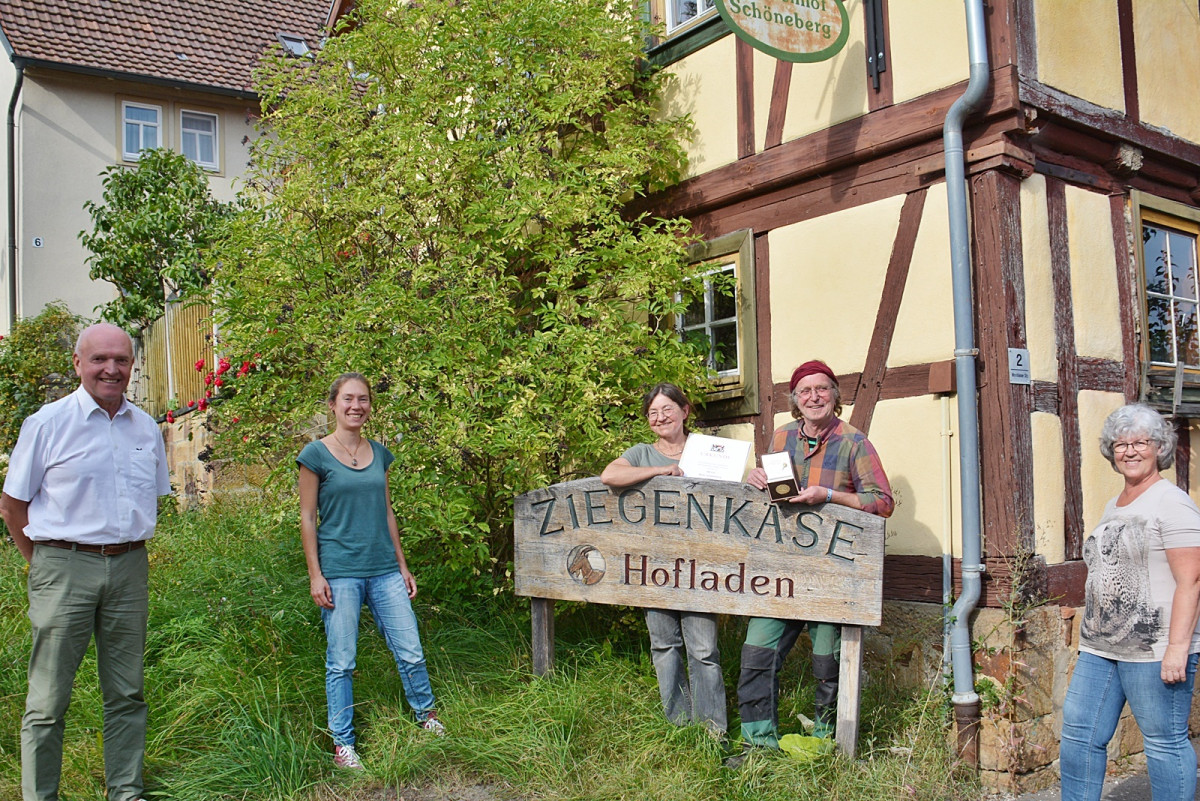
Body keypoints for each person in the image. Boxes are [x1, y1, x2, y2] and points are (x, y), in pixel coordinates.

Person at [0, 322, 170, 801]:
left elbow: (152, 498)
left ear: (132, 366)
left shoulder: (145, 427)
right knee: (48, 700)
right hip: (63, 565)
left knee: (127, 693)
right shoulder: (47, 424)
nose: (111, 369)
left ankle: (126, 791)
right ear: (78, 364)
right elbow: (12, 506)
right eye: (99, 360)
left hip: (130, 568)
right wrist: (43, 564)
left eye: (121, 360)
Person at [737, 359, 892, 755]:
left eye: (822, 389)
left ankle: (827, 743)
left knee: (828, 663)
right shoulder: (781, 436)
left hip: (831, 573)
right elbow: (771, 491)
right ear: (795, 400)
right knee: (758, 651)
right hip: (781, 568)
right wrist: (754, 479)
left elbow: (883, 502)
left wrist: (828, 496)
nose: (813, 397)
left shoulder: (854, 442)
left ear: (835, 396)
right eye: (805, 391)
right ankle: (758, 743)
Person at [297, 372, 444, 771]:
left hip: (383, 570)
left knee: (409, 649)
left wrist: (402, 564)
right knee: (342, 660)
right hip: (340, 571)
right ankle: (343, 744)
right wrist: (316, 574)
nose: (355, 406)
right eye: (347, 399)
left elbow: (387, 510)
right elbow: (308, 518)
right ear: (333, 405)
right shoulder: (315, 455)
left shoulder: (379, 454)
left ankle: (427, 716)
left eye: (363, 399)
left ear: (369, 407)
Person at [1060, 404, 1200, 801]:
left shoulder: (1172, 503)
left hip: (1154, 649)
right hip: (1101, 647)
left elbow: (1191, 579)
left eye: (1141, 442)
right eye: (1120, 444)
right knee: (1079, 734)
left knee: (1163, 742)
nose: (1130, 451)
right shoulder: (1115, 504)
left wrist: (1177, 649)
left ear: (1160, 448)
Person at [600, 382, 728, 736]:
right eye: (653, 413)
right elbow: (610, 475)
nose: (660, 417)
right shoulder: (642, 453)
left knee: (703, 648)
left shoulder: (707, 450)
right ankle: (679, 724)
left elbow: (733, 489)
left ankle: (712, 730)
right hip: (654, 566)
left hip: (702, 565)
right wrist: (661, 472)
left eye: (667, 409)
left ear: (685, 411)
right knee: (664, 645)